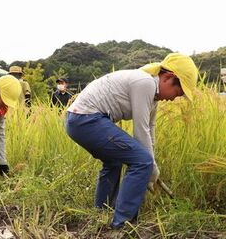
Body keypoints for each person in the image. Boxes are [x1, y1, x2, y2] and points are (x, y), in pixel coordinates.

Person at [65, 53, 198, 229]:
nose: (174, 98)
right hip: (86, 119)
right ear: (168, 78)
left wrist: (153, 166)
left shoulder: (153, 95)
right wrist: (149, 166)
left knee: (114, 160)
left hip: (80, 120)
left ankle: (102, 211)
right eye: (178, 92)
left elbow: (150, 130)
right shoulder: (145, 83)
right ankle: (123, 224)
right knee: (142, 161)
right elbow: (140, 131)